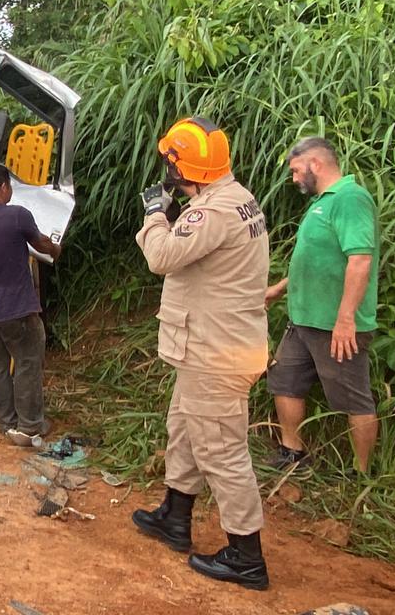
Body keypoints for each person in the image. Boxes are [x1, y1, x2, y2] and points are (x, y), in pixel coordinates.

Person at [130, 116, 270, 590]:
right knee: (186, 429)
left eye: (170, 163)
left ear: (180, 168)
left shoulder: (210, 213)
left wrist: (155, 213)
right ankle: (175, 515)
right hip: (215, 346)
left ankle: (246, 556)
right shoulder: (237, 198)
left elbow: (161, 257)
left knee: (222, 450)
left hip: (216, 352)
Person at [264, 137, 379, 474]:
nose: (294, 178)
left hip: (335, 325)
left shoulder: (350, 198)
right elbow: (320, 258)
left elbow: (360, 260)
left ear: (315, 163)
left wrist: (346, 319)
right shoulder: (322, 202)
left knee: (353, 399)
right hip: (303, 319)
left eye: (296, 170)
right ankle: (293, 453)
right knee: (284, 380)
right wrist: (282, 288)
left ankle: (361, 473)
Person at [0, 163, 62, 447]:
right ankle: (30, 426)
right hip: (15, 307)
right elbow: (42, 245)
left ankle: (7, 422)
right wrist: (56, 248)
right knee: (28, 360)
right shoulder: (17, 215)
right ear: (4, 187)